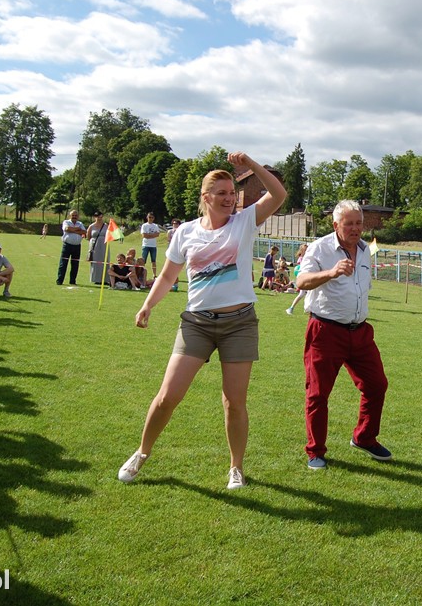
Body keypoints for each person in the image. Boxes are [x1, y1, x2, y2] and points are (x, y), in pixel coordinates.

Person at [117, 152, 286, 490]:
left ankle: (236, 467)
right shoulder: (184, 233)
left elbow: (279, 195)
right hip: (196, 323)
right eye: (220, 193)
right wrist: (148, 305)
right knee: (168, 395)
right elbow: (167, 277)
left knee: (234, 402)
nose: (228, 199)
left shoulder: (244, 221)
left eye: (231, 193)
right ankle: (141, 453)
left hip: (239, 323)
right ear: (205, 197)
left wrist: (251, 165)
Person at [296, 200, 391, 470]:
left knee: (376, 385)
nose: (355, 228)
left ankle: (364, 438)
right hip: (326, 331)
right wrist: (331, 272)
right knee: (318, 393)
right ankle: (315, 451)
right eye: (348, 223)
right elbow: (301, 282)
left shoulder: (364, 250)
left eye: (358, 223)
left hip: (360, 332)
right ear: (335, 224)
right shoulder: (320, 248)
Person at [57, 209, 87, 286]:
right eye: (73, 215)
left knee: (75, 265)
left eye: (75, 215)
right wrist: (77, 230)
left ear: (78, 216)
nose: (74, 217)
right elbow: (67, 229)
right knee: (63, 264)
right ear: (70, 216)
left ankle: (72, 281)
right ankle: (60, 280)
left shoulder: (80, 223)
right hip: (67, 245)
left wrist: (72, 230)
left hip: (77, 246)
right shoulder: (66, 222)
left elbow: (84, 232)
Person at [286, 243, 309, 315]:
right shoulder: (301, 259)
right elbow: (300, 269)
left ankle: (307, 309)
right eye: (305, 249)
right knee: (302, 294)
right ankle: (291, 308)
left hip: (308, 277)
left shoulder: (308, 257)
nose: (307, 250)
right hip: (303, 278)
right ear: (302, 251)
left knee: (308, 293)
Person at [88, 211, 108, 285]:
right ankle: (96, 279)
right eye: (98, 217)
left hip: (104, 245)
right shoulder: (91, 226)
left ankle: (105, 279)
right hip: (94, 244)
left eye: (101, 217)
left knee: (104, 260)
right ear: (95, 217)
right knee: (96, 261)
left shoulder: (106, 225)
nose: (99, 219)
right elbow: (88, 236)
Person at [140, 213, 161, 279]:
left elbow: (157, 234)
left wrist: (149, 235)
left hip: (153, 245)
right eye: (149, 217)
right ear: (147, 217)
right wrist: (152, 235)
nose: (150, 218)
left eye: (152, 217)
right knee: (143, 261)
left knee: (153, 261)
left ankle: (154, 275)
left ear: (153, 218)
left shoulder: (155, 226)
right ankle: (141, 274)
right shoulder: (144, 225)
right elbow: (144, 235)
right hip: (145, 245)